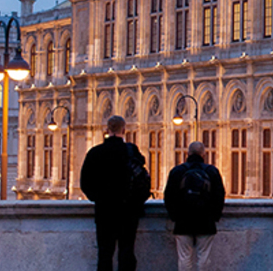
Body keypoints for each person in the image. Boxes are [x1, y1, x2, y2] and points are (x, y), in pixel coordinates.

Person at [80, 115, 148, 271]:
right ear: (124, 130)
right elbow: (143, 179)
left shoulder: (95, 153)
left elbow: (85, 183)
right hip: (128, 211)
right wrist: (136, 202)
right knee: (127, 252)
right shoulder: (131, 152)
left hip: (105, 211)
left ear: (107, 130)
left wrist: (99, 198)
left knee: (105, 254)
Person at [163, 141, 226, 271]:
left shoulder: (177, 171)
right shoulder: (212, 171)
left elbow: (168, 196)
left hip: (183, 220)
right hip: (206, 220)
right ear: (204, 154)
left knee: (184, 258)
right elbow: (219, 196)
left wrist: (175, 216)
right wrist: (214, 216)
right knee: (204, 257)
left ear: (188, 154)